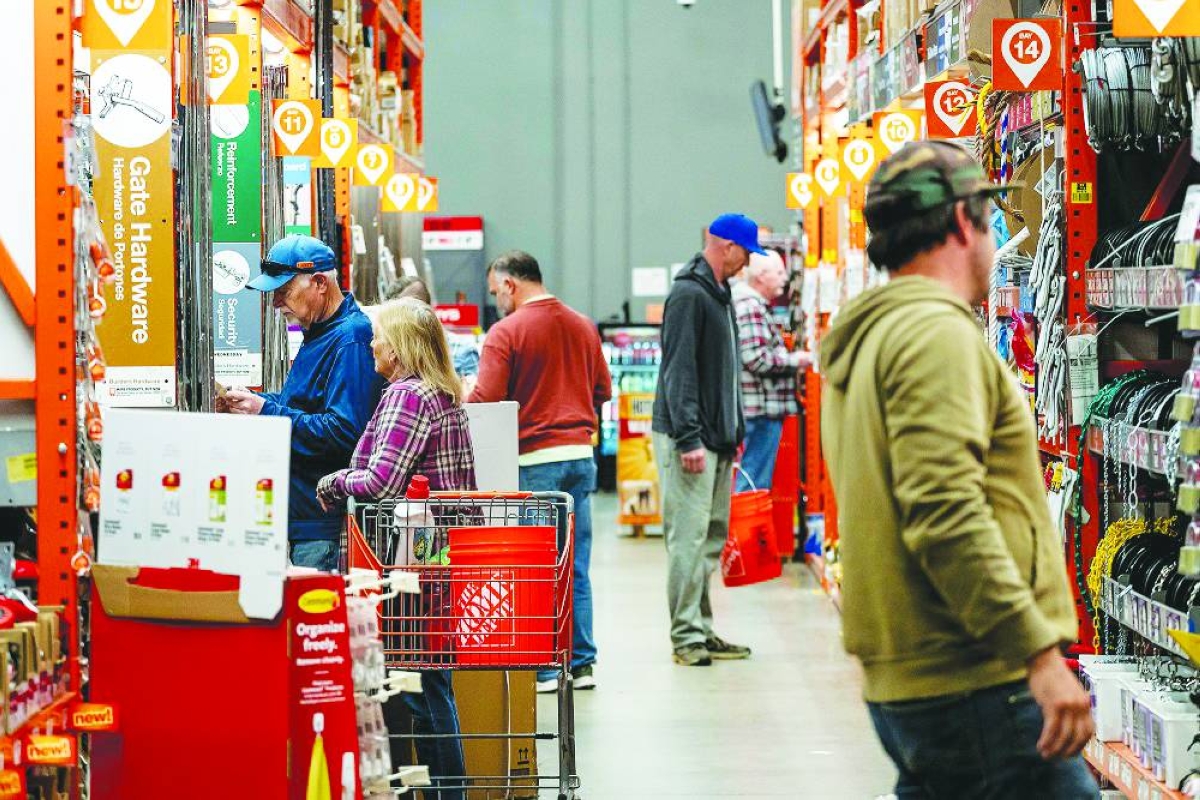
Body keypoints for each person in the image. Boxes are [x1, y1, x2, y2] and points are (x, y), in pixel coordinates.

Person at [819, 141, 1096, 798]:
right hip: (979, 677)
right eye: (988, 222)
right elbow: (945, 513)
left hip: (921, 677)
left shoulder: (873, 335)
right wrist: (1037, 655)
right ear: (962, 223)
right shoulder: (932, 336)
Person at [316, 298, 473, 799]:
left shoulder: (408, 396)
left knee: (423, 682)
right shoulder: (440, 392)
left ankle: (448, 791)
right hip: (431, 549)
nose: (371, 342)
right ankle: (448, 788)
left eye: (379, 334)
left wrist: (334, 481)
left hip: (408, 553)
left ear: (401, 346)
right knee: (429, 678)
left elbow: (382, 481)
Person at [467, 250, 611, 693]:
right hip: (579, 458)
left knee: (538, 566)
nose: (496, 302)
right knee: (576, 563)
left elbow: (486, 397)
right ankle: (581, 664)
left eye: (495, 293)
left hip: (533, 461)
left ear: (510, 284)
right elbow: (603, 390)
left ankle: (547, 668)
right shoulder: (583, 324)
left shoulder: (505, 332)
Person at [222, 234, 385, 572]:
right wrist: (253, 402)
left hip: (321, 523)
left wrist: (266, 411)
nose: (275, 303)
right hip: (303, 517)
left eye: (283, 292)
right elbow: (305, 406)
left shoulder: (350, 339)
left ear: (319, 283)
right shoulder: (320, 334)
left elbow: (344, 431)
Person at [652, 213, 760, 667]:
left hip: (716, 437)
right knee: (689, 539)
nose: (748, 263)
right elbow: (679, 374)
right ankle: (685, 637)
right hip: (690, 440)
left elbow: (725, 373)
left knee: (711, 538)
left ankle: (701, 625)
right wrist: (690, 439)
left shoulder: (719, 295)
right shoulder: (688, 295)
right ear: (728, 247)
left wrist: (732, 431)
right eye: (747, 253)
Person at [732, 249, 809, 493]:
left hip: (759, 410)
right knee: (753, 482)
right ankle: (744, 531)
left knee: (754, 478)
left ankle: (745, 530)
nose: (785, 278)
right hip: (759, 412)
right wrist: (795, 360)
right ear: (761, 276)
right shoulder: (750, 306)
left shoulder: (751, 304)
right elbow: (755, 358)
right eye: (778, 272)